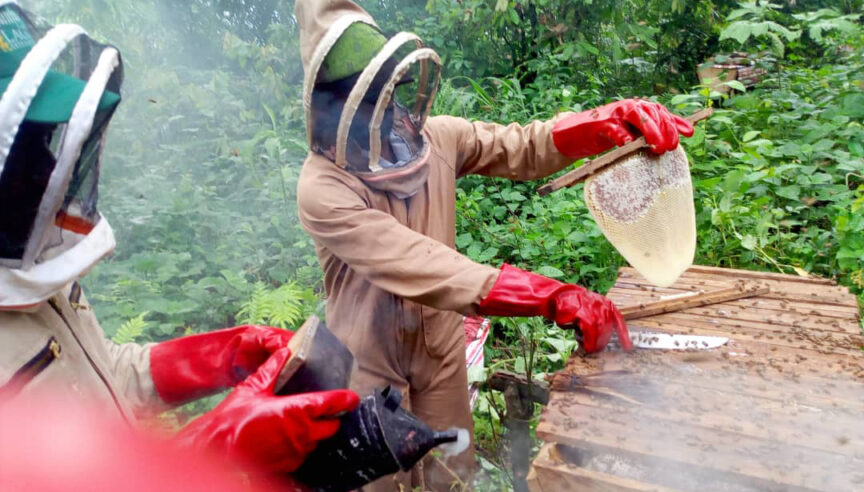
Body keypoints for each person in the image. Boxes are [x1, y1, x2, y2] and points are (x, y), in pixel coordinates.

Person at [294, 0, 694, 489]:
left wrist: (602, 122)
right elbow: (423, 264)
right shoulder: (323, 188)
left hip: (440, 354)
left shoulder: (437, 139)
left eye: (388, 94)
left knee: (452, 474)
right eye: (366, 102)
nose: (389, 115)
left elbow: (522, 145)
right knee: (382, 483)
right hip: (368, 364)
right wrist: (549, 296)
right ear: (332, 109)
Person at [0, 1, 358, 482]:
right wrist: (214, 448)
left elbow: (104, 378)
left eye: (47, 142)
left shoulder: (26, 271)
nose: (46, 169)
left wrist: (220, 356)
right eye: (24, 150)